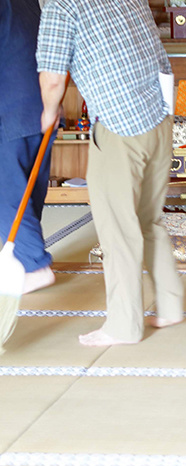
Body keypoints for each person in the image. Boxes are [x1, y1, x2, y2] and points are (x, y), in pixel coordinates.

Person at [37, 0, 184, 347]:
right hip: (160, 118)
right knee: (148, 220)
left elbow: (53, 79)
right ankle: (171, 304)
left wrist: (48, 111)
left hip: (120, 128)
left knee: (117, 229)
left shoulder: (61, 6)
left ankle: (124, 325)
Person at [0, 0, 56, 294]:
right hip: (42, 104)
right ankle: (25, 258)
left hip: (8, 105)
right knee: (28, 186)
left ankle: (34, 265)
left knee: (6, 191)